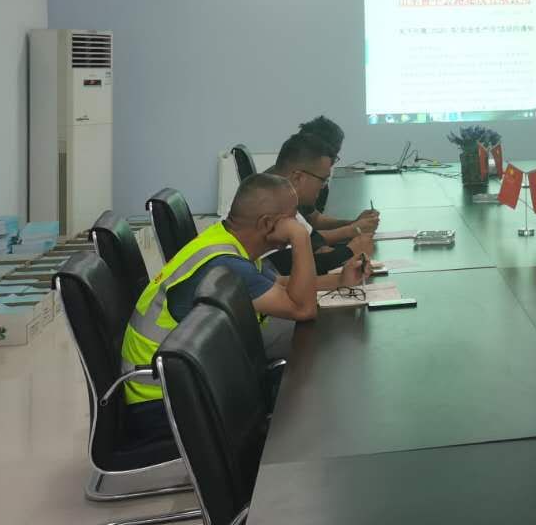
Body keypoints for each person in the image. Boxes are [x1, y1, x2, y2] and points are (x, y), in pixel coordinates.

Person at [120, 173, 367, 439]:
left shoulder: (226, 240)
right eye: (292, 218)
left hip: (185, 378)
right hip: (165, 400)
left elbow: (280, 286)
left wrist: (338, 281)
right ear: (267, 224)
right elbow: (303, 309)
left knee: (310, 369)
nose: (297, 223)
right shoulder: (226, 264)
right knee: (313, 388)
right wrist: (301, 238)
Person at [264, 133, 373, 275]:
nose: (323, 187)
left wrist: (321, 249)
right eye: (322, 180)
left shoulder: (286, 201)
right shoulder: (266, 203)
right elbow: (287, 266)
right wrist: (351, 251)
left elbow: (314, 239)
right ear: (298, 177)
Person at [298, 115, 380, 230]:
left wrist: (355, 223)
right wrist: (354, 229)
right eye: (332, 155)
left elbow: (314, 220)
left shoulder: (313, 180)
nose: (332, 162)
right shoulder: (281, 189)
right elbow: (308, 237)